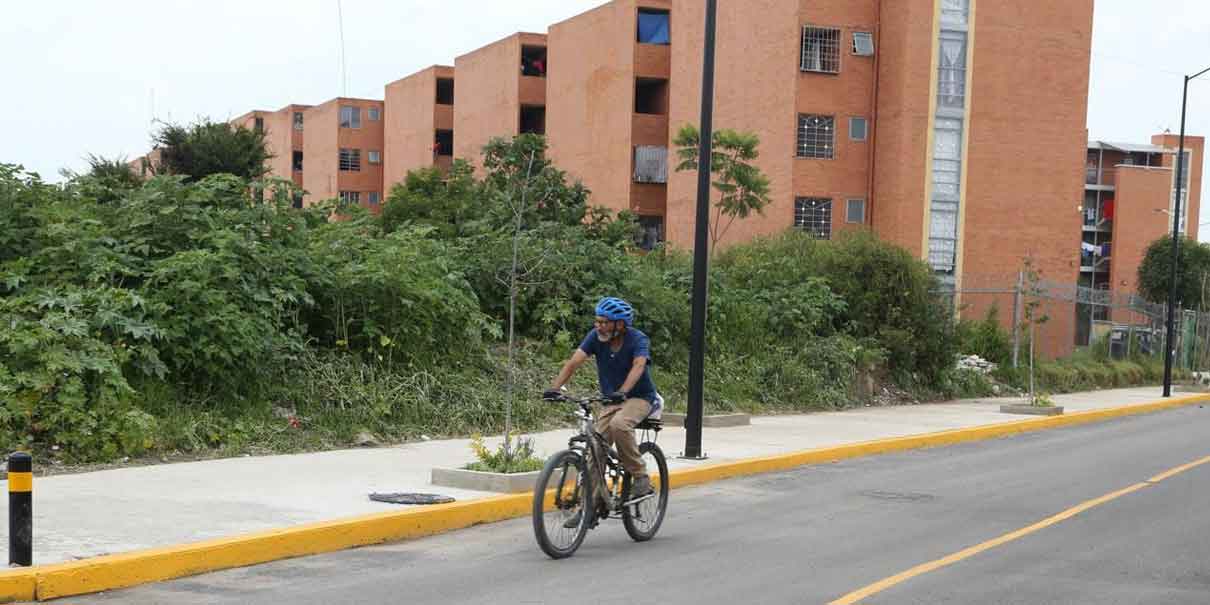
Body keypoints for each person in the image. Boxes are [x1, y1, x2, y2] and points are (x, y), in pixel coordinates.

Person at [545, 297, 659, 502]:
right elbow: (573, 362)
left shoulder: (638, 339)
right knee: (595, 448)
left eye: (604, 322)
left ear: (620, 324)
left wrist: (623, 390)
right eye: (597, 321)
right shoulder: (595, 338)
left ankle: (640, 475)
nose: (599, 326)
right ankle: (589, 506)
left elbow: (639, 365)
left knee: (619, 425)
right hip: (612, 400)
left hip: (640, 397)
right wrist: (555, 388)